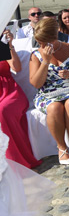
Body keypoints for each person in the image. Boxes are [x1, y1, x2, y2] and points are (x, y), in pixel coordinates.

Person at [29, 18, 69, 165]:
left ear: (55, 36)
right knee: (54, 107)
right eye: (39, 42)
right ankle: (61, 147)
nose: (42, 45)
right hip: (47, 93)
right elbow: (36, 83)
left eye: (45, 41)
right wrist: (45, 62)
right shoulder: (36, 55)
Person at [0, 30, 40, 168]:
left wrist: (10, 45)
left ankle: (16, 162)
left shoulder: (2, 44)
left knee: (2, 111)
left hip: (10, 92)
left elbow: (16, 67)